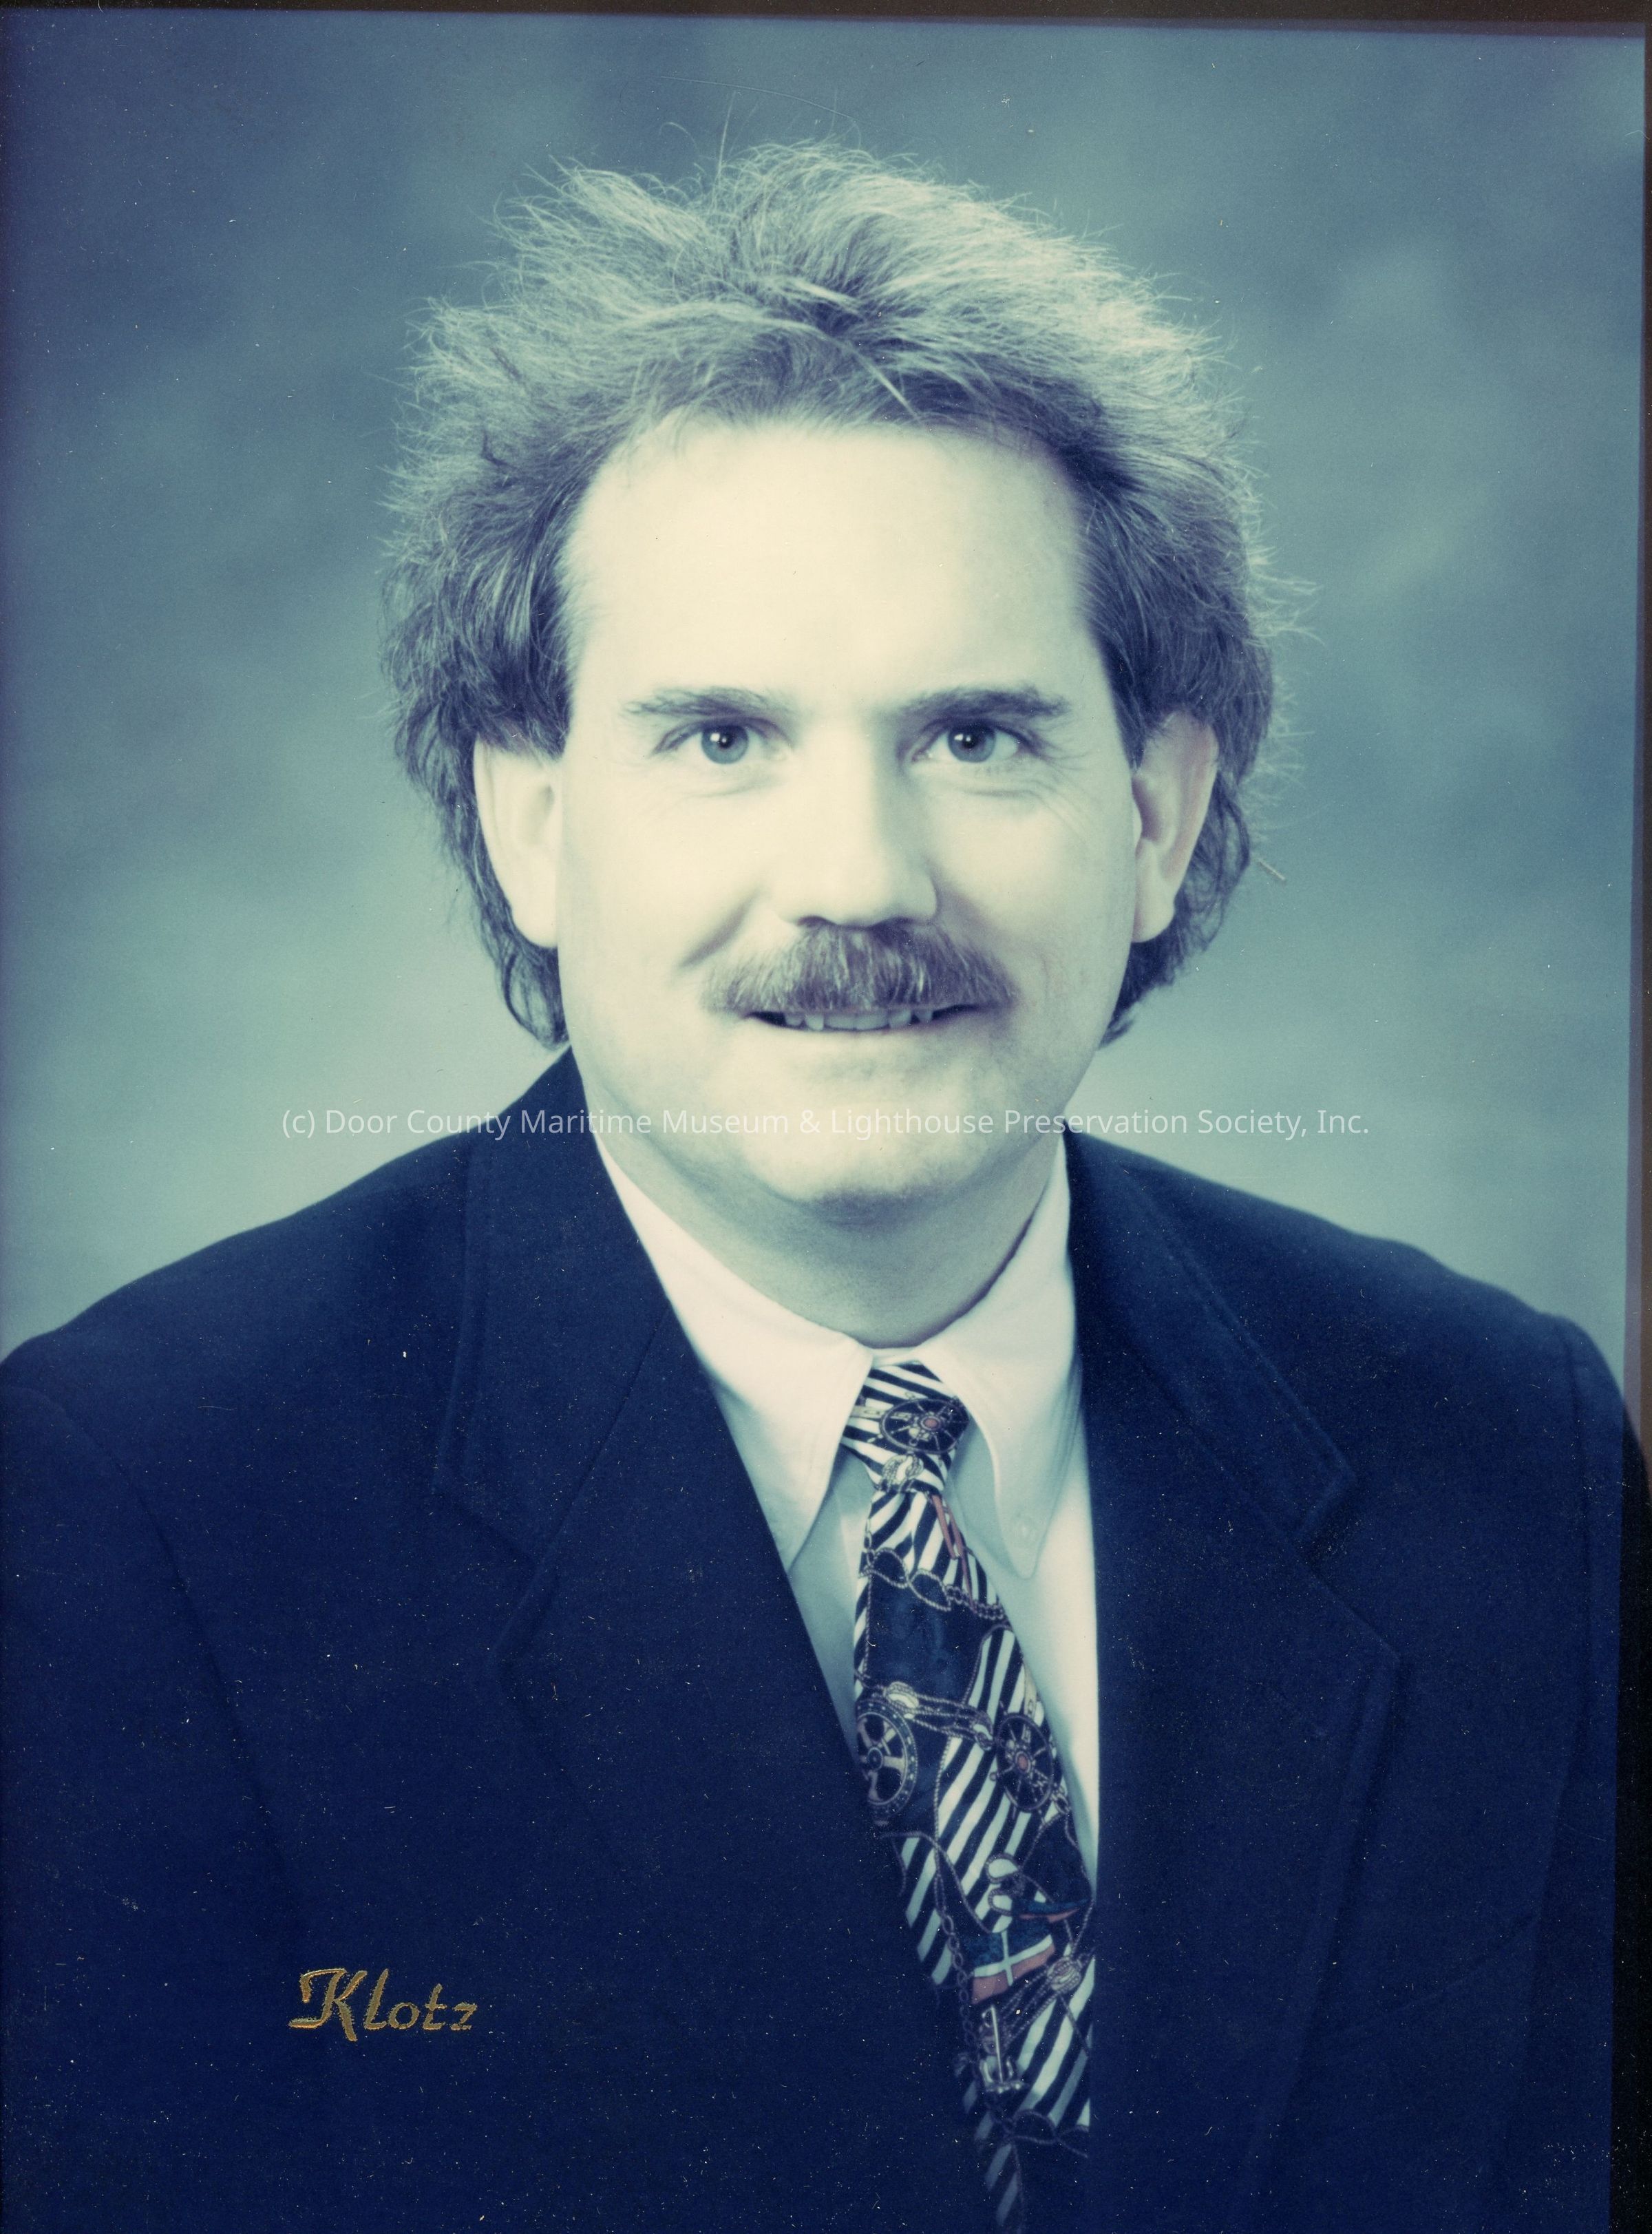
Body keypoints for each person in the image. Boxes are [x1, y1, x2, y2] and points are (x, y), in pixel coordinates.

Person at [1, 145, 1638, 2234]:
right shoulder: (132, 1504)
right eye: (721, 739)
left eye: (977, 737)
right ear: (529, 824)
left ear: (1157, 816)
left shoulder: (1504, 1446)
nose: (860, 879)